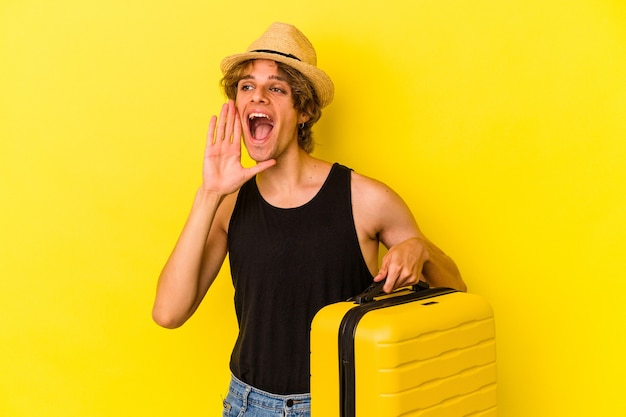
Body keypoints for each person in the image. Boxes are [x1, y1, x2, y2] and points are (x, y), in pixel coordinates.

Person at [152, 22, 466, 417]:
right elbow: (168, 313)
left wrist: (419, 248)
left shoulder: (366, 198)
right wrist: (209, 194)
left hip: (339, 404)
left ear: (305, 110)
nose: (257, 96)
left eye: (276, 88)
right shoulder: (228, 204)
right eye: (247, 86)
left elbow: (456, 291)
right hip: (246, 404)